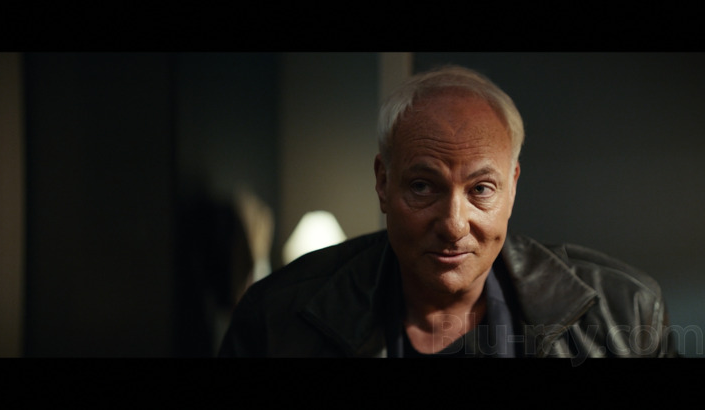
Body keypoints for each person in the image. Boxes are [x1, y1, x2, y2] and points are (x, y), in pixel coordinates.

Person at [218, 65, 678, 359]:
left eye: (481, 189)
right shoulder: (275, 320)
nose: (454, 225)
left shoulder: (628, 314)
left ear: (512, 187)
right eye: (423, 186)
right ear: (383, 183)